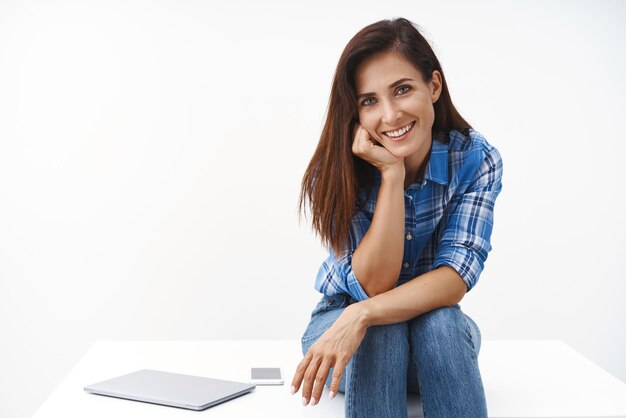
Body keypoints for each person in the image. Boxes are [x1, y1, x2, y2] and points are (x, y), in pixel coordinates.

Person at [290, 17, 503, 418]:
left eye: (402, 90)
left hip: (431, 339)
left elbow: (454, 280)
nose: (389, 116)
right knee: (382, 332)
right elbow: (372, 285)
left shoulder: (476, 159)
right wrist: (391, 175)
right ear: (355, 112)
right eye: (369, 101)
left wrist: (363, 312)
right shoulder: (337, 170)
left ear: (433, 87)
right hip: (344, 333)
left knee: (439, 322)